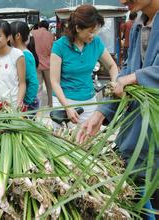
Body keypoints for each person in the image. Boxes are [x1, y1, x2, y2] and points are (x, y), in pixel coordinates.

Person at [77, 0, 158, 218]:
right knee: (138, 199)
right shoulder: (139, 25)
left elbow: (133, 76)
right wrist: (100, 113)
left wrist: (134, 78)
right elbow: (127, 71)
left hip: (154, 136)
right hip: (137, 136)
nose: (123, 0)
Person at [50, 5, 118, 125]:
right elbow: (54, 81)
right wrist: (67, 107)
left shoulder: (96, 43)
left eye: (96, 31)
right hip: (64, 102)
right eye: (91, 31)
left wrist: (114, 81)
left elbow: (112, 66)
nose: (94, 35)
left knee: (88, 140)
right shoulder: (59, 46)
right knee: (65, 140)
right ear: (77, 28)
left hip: (89, 101)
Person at [0, 20, 26, 109]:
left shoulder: (17, 55)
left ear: (8, 37)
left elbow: (22, 83)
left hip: (13, 105)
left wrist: (18, 104)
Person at [10, 21, 39, 113]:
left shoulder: (25, 55)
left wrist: (26, 102)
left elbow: (33, 82)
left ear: (17, 36)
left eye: (9, 34)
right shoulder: (17, 53)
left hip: (27, 104)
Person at [31, 20, 54, 107]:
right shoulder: (50, 35)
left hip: (36, 64)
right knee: (50, 86)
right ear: (47, 27)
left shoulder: (32, 33)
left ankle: (37, 105)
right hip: (48, 64)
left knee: (37, 86)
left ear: (39, 26)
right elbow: (52, 50)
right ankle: (50, 103)